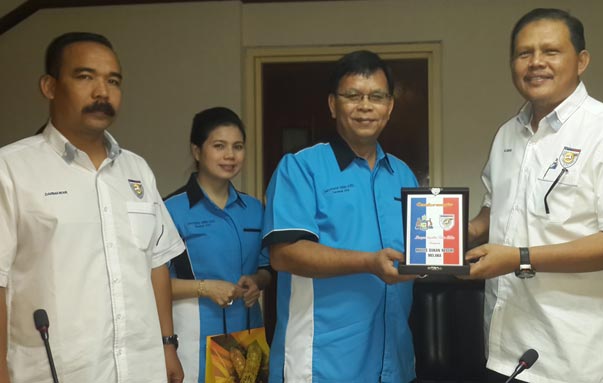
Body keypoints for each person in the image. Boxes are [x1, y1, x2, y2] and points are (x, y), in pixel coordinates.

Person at [466, 8, 603, 383]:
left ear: (581, 61)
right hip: (505, 350)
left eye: (551, 52)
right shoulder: (507, 135)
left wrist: (518, 257)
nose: (536, 63)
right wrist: (451, 236)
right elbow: (495, 207)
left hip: (576, 359)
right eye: (524, 53)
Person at [0, 32, 186, 383]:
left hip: (141, 370)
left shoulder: (137, 170)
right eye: (85, 77)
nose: (102, 92)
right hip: (57, 372)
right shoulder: (10, 169)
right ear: (50, 86)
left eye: (113, 81)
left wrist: (167, 345)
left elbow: (156, 264)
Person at [262, 50, 418, 383]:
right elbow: (284, 254)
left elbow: (421, 249)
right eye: (353, 96)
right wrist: (368, 263)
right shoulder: (301, 167)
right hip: (322, 364)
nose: (365, 106)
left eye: (377, 96)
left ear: (389, 106)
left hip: (394, 363)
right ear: (333, 104)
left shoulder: (402, 175)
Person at [164, 107, 271, 383]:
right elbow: (152, 284)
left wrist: (258, 280)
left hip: (248, 341)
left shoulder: (255, 209)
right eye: (219, 146)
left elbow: (267, 268)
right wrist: (206, 287)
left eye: (237, 147)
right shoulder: (171, 210)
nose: (230, 156)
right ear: (197, 151)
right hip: (194, 340)